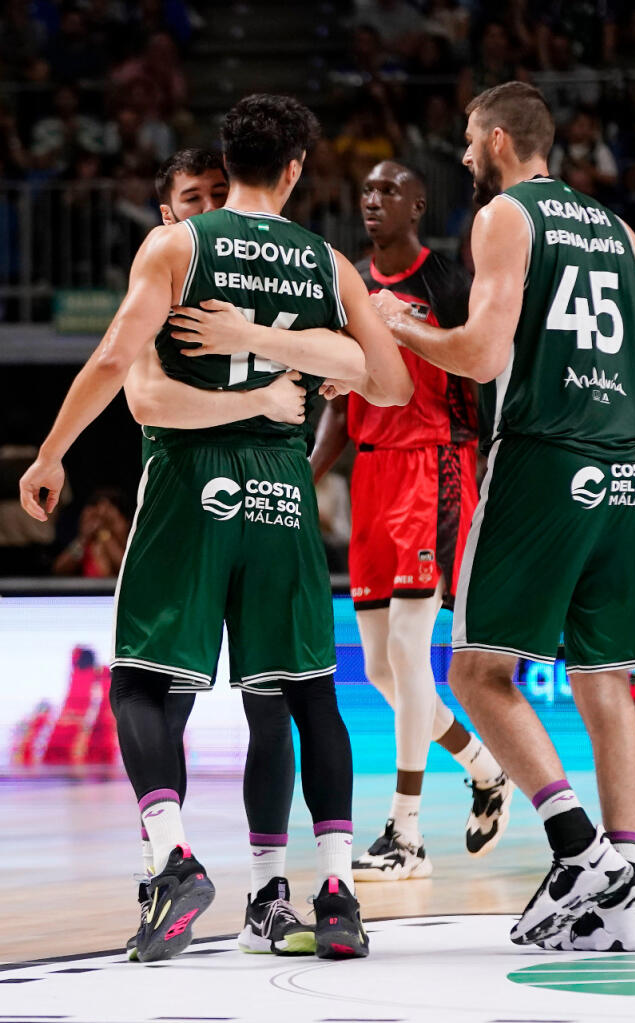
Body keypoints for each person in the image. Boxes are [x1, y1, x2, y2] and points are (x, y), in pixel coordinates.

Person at [20, 93, 413, 963]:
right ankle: (338, 890)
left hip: (192, 483)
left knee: (141, 685)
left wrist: (51, 454)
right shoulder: (326, 263)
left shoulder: (176, 244)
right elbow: (390, 385)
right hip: (282, 485)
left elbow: (117, 357)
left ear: (224, 164)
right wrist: (301, 362)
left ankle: (174, 859)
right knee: (309, 692)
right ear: (298, 168)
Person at [371, 81, 635, 952]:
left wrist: (397, 324)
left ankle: (577, 848)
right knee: (606, 678)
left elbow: (478, 351)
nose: (465, 158)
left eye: (471, 143)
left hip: (542, 461)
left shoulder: (507, 216)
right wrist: (619, 440)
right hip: (619, 472)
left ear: (502, 139)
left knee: (477, 673)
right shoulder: (619, 231)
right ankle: (619, 895)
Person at [119, 147, 308, 961]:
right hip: (218, 494)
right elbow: (144, 394)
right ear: (167, 214)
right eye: (190, 199)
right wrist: (267, 393)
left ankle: (255, 886)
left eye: (216, 195)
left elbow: (352, 374)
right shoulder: (165, 275)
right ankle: (174, 874)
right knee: (173, 702)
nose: (205, 209)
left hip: (237, 496)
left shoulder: (269, 282)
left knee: (265, 699)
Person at [311, 160, 512, 881]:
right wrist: (307, 478)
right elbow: (337, 402)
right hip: (371, 471)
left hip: (434, 462)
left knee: (406, 647)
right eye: (364, 190)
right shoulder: (350, 291)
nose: (371, 200)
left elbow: (483, 366)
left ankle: (405, 832)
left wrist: (488, 466)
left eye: (387, 190)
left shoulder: (447, 284)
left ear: (418, 204)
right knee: (378, 669)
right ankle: (486, 766)